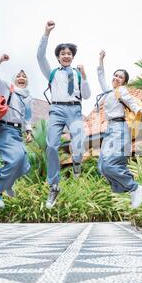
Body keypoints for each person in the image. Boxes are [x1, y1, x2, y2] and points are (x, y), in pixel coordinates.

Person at [37, 20, 91, 208]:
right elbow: (39, 56)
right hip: (57, 110)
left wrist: (84, 78)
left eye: (69, 53)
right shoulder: (52, 73)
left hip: (75, 109)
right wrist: (46, 34)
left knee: (79, 142)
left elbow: (87, 95)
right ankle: (54, 186)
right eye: (63, 53)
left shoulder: (77, 74)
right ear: (58, 57)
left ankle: (77, 162)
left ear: (72, 56)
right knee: (51, 146)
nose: (66, 55)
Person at [97, 50, 142, 208]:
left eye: (120, 77)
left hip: (119, 128)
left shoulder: (122, 91)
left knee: (109, 164)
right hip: (110, 129)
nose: (116, 78)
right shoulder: (109, 91)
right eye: (115, 75)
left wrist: (140, 110)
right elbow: (101, 76)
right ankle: (132, 190)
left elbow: (131, 102)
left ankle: (135, 187)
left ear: (124, 82)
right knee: (101, 166)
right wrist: (100, 60)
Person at [0, 54, 34, 209]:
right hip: (4, 129)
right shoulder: (7, 88)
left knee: (24, 164)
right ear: (14, 79)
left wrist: (28, 131)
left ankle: (8, 184)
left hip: (17, 132)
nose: (21, 78)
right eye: (19, 76)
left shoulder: (28, 97)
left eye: (24, 76)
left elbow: (27, 116)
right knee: (15, 159)